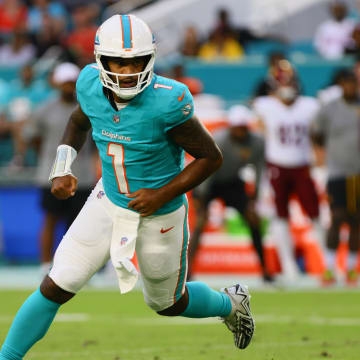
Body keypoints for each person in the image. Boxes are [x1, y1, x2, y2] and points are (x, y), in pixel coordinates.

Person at [0, 15, 254, 359]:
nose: (127, 71)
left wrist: (161, 194)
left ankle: (229, 303)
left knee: (167, 303)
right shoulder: (89, 84)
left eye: (135, 61)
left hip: (160, 211)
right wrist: (62, 166)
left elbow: (211, 157)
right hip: (109, 199)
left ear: (149, 59)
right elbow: (77, 122)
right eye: (118, 61)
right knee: (57, 283)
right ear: (100, 60)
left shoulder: (168, 100)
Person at [253, 60, 323, 282]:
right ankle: (288, 265)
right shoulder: (264, 105)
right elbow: (259, 133)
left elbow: (316, 137)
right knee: (280, 216)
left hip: (302, 164)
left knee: (315, 214)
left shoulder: (309, 106)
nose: (285, 84)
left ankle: (325, 263)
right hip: (277, 165)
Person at [23, 62, 96, 274]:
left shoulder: (88, 109)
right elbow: (33, 137)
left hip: (82, 175)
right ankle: (46, 265)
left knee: (78, 226)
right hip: (51, 174)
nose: (68, 86)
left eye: (72, 83)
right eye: (65, 82)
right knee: (50, 219)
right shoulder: (45, 109)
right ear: (57, 83)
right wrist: (50, 160)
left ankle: (73, 267)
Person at [188, 105, 273, 283]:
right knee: (200, 222)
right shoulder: (219, 139)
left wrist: (253, 198)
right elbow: (205, 167)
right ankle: (188, 271)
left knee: (253, 218)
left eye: (243, 128)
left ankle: (265, 269)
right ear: (231, 127)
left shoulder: (257, 143)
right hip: (207, 180)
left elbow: (259, 170)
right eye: (237, 128)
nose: (240, 132)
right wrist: (200, 198)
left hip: (232, 182)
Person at [311, 70, 360, 286]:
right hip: (338, 172)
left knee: (356, 220)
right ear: (341, 85)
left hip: (358, 173)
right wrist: (322, 152)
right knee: (337, 217)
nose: (350, 87)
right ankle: (329, 268)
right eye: (346, 84)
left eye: (353, 84)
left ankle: (350, 269)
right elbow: (316, 131)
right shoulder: (330, 109)